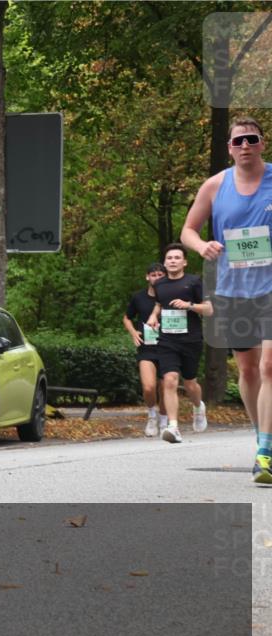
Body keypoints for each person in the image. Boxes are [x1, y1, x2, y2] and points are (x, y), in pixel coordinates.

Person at [181, 116, 272, 485]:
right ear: (230, 148)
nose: (245, 146)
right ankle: (261, 436)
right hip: (234, 289)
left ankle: (265, 452)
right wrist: (203, 245)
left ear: (262, 143)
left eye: (252, 139)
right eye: (238, 141)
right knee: (248, 371)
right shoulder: (216, 185)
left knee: (269, 367)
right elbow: (188, 229)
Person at [146, 243, 213, 444]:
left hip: (190, 339)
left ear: (184, 262)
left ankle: (198, 406)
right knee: (170, 379)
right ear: (165, 263)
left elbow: (209, 309)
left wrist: (189, 305)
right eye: (169, 258)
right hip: (167, 339)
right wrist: (153, 316)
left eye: (177, 258)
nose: (173, 261)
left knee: (190, 382)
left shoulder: (194, 282)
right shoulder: (159, 285)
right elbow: (159, 305)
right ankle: (173, 427)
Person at [123, 262, 169, 436]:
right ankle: (152, 416)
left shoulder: (171, 295)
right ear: (147, 277)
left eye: (160, 275)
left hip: (168, 347)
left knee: (165, 387)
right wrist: (133, 332)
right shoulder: (138, 297)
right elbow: (127, 318)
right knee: (149, 387)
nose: (156, 278)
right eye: (153, 275)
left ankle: (164, 420)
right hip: (147, 348)